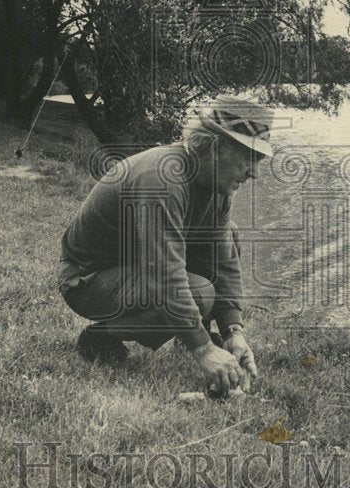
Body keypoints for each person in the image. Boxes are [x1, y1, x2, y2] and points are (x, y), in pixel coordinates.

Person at [58, 96, 273, 395]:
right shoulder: (162, 178)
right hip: (88, 279)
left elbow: (223, 262)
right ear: (215, 147)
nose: (255, 173)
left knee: (229, 235)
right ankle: (101, 335)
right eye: (249, 159)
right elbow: (165, 275)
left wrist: (233, 331)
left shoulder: (218, 187)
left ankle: (192, 327)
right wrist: (203, 350)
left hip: (134, 267)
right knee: (198, 292)